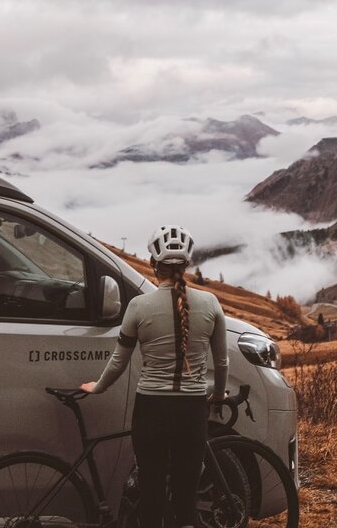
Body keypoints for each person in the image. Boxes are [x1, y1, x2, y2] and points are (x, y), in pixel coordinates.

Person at [81, 225, 228, 528]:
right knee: (186, 498)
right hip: (191, 410)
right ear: (186, 266)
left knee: (152, 492)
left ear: (152, 264)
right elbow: (222, 362)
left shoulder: (138, 306)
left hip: (151, 409)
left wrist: (98, 387)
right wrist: (218, 396)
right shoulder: (211, 304)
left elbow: (119, 362)